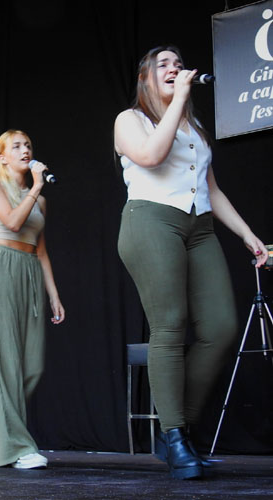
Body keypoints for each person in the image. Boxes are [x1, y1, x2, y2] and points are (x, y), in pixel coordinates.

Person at [114, 46, 268, 480]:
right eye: (162, 64)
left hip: (198, 226)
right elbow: (150, 157)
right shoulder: (130, 120)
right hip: (150, 220)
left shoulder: (194, 128)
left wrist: (247, 234)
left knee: (220, 329)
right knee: (169, 325)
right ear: (145, 78)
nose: (174, 68)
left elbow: (210, 189)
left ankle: (178, 428)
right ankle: (177, 434)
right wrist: (179, 99)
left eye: (178, 64)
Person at [0, 130, 65, 469]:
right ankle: (16, 448)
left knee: (32, 365)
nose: (25, 149)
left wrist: (53, 294)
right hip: (1, 266)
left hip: (30, 271)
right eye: (16, 146)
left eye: (28, 145)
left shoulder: (38, 199)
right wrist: (38, 186)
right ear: (3, 157)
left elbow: (41, 251)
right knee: (4, 362)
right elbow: (13, 223)